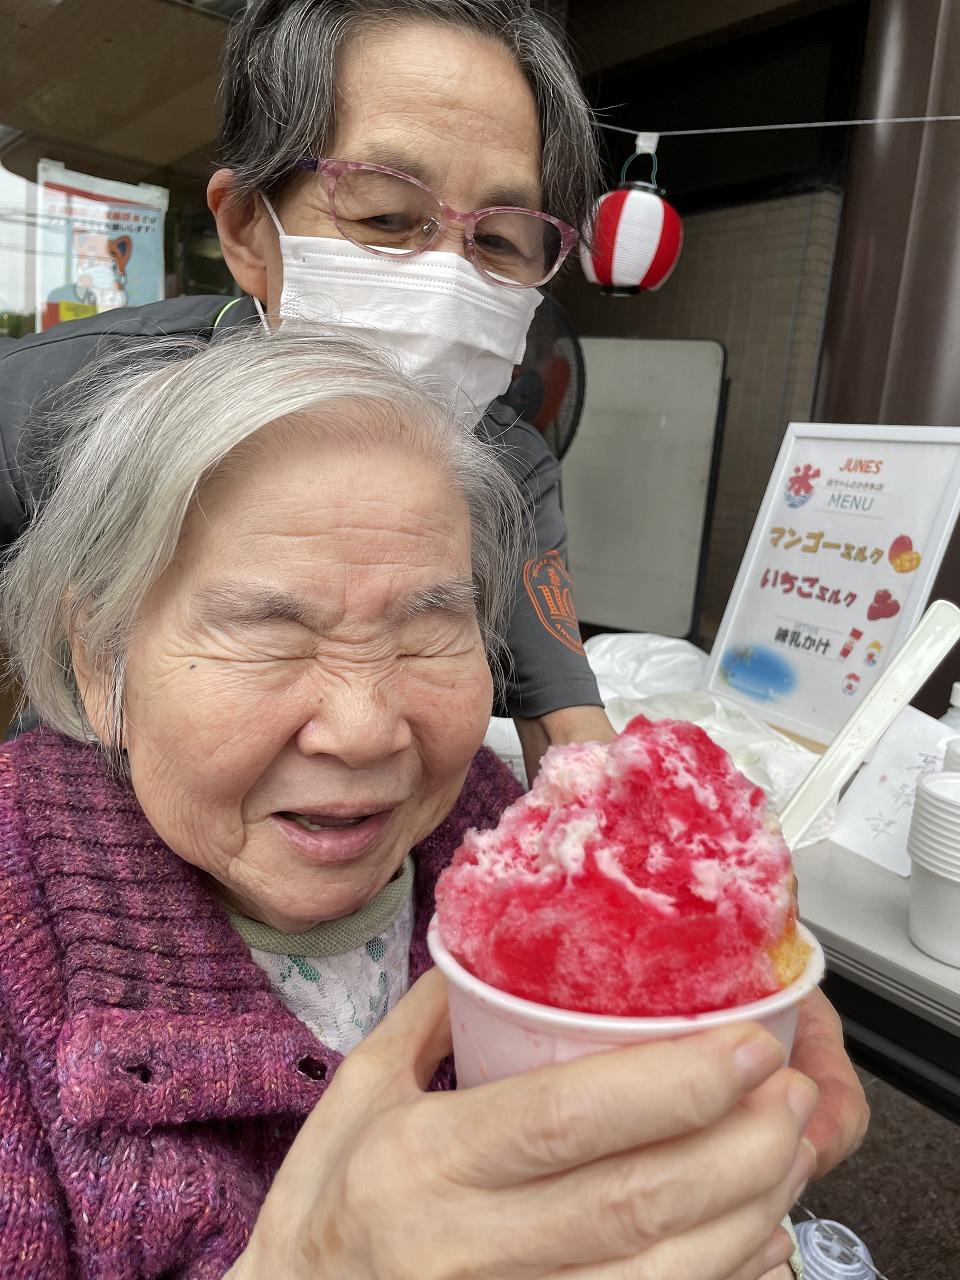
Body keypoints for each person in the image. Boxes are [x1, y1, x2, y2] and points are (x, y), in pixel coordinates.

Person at [1, 328, 814, 1279]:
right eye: (270, 635)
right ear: (102, 664)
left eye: (431, 629)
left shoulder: (499, 827)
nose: (364, 729)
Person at [0, 0, 611, 781]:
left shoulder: (512, 470)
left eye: (499, 240)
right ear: (249, 231)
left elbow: (576, 744)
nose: (449, 281)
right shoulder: (75, 395)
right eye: (388, 214)